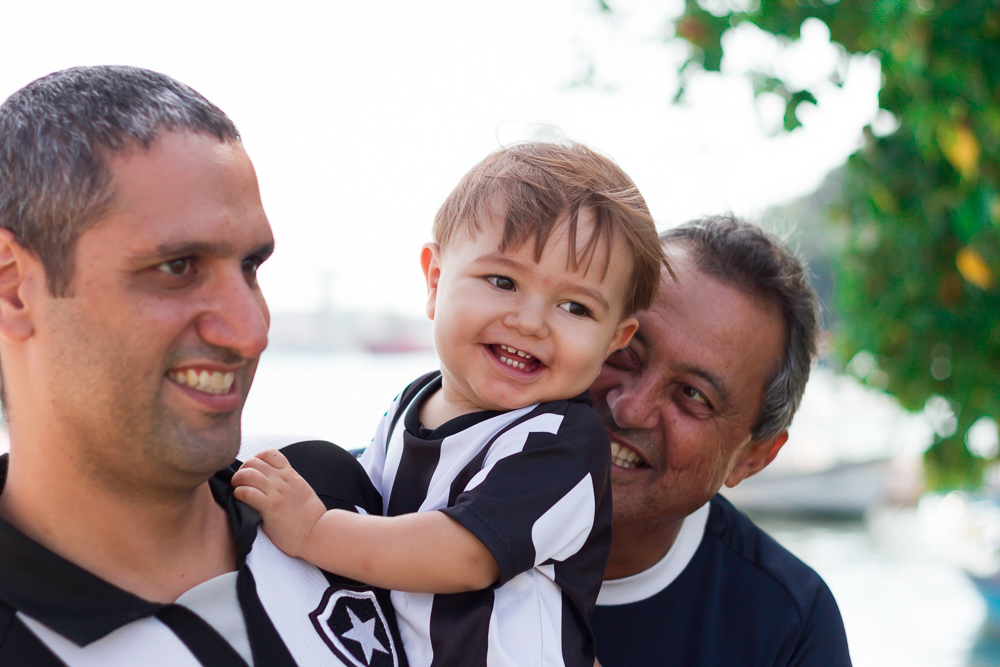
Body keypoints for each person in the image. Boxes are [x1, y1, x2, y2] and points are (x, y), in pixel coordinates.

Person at [0, 66, 408, 667]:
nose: (250, 332)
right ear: (15, 289)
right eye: (178, 267)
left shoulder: (340, 505)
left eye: (250, 267)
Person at [232, 142, 667, 667]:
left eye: (575, 307)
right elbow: (367, 496)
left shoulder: (558, 444)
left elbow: (462, 555)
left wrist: (314, 530)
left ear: (615, 338)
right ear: (436, 280)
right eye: (502, 281)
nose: (530, 322)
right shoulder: (411, 403)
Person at [589, 215, 852, 666]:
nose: (629, 407)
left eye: (693, 395)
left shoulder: (787, 629)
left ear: (751, 459)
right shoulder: (439, 487)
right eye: (624, 352)